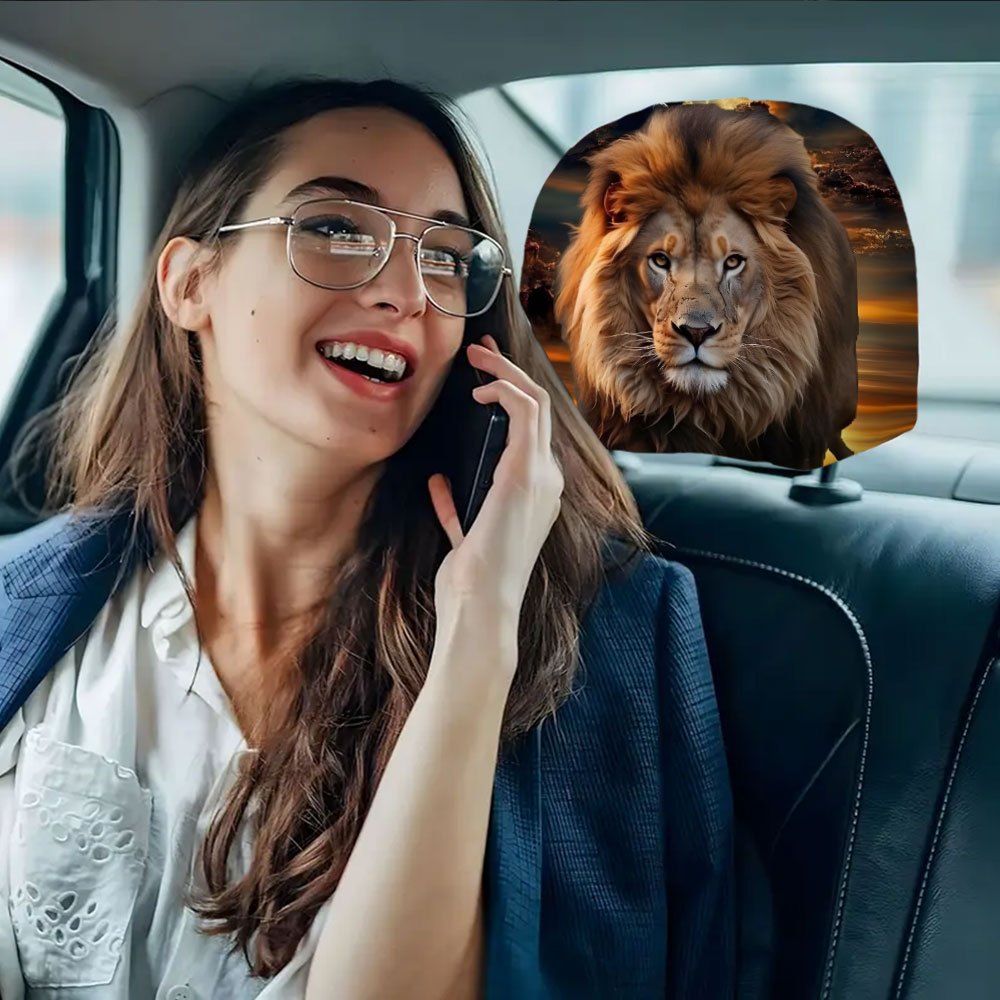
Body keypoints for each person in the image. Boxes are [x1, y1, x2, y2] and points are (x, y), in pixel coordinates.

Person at [0, 78, 734, 999]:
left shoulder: (612, 633)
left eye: (442, 255)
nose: (403, 294)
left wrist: (480, 629)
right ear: (191, 284)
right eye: (337, 230)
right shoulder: (29, 619)